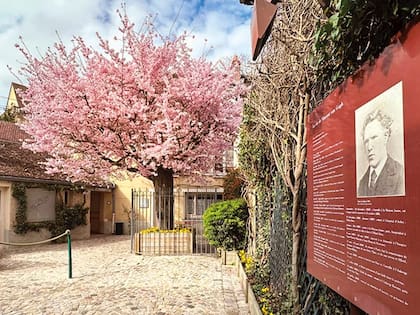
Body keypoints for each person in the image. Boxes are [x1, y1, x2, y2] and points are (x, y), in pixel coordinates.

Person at [358, 109, 404, 197]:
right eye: (366, 141)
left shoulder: (400, 174)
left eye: (374, 138)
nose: (369, 147)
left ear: (385, 137)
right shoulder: (362, 183)